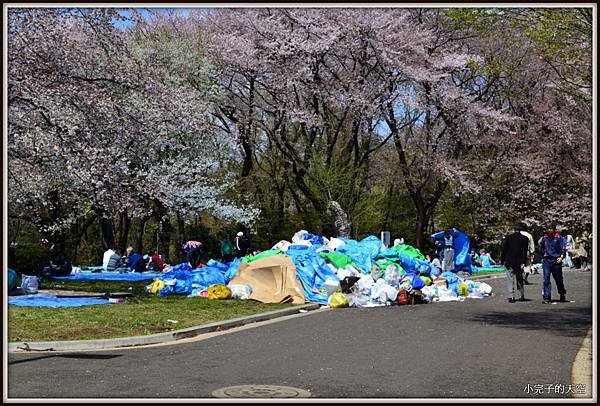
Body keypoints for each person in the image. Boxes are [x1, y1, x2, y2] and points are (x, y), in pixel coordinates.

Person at [537, 222, 567, 304]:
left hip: (556, 260)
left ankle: (562, 293)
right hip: (547, 260)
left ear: (554, 229)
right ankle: (547, 298)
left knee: (558, 279)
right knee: (546, 279)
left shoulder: (559, 238)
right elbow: (542, 248)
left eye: (551, 228)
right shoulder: (544, 238)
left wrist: (561, 257)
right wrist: (542, 257)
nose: (549, 230)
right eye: (548, 228)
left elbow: (563, 249)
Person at [501, 223, 530, 303]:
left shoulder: (508, 238)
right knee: (519, 278)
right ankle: (521, 295)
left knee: (510, 279)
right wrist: (524, 262)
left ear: (514, 229)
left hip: (509, 260)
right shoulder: (525, 239)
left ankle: (511, 296)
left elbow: (504, 250)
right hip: (519, 261)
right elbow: (524, 252)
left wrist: (502, 260)